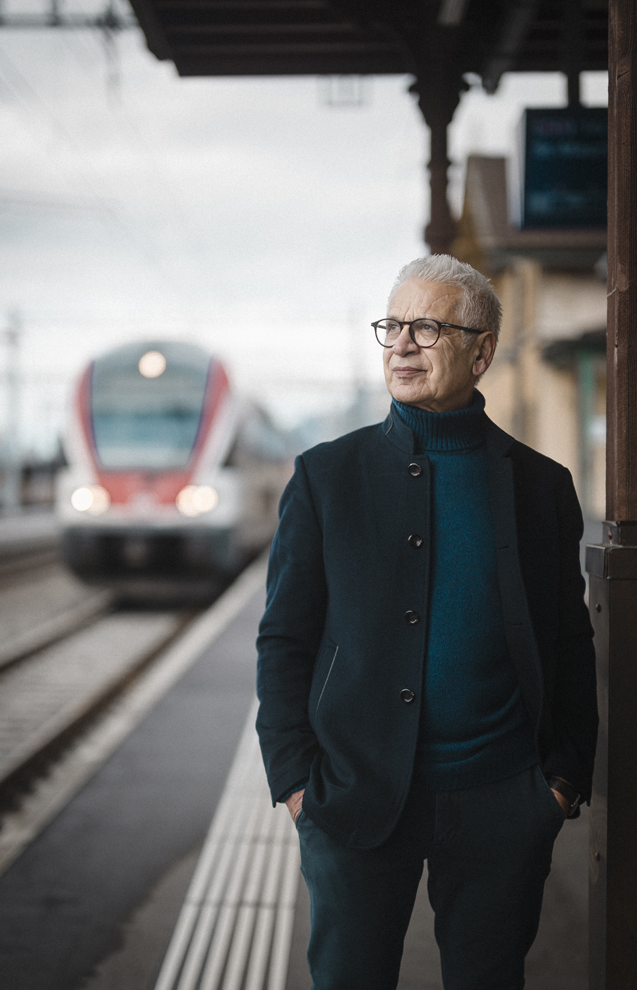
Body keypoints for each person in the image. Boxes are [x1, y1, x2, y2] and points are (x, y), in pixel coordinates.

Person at [256, 255, 597, 990]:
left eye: (427, 327)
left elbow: (569, 640)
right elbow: (284, 639)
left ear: (482, 350)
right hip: (351, 796)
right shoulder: (325, 478)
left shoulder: (542, 486)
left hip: (503, 800)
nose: (401, 345)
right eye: (393, 326)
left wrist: (562, 779)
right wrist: (294, 781)